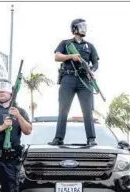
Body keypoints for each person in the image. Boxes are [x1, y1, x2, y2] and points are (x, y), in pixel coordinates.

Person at [48, 18, 100, 146]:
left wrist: (91, 70)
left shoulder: (90, 46)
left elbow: (96, 63)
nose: (84, 29)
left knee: (87, 110)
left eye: (84, 26)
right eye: (81, 26)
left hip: (84, 80)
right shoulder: (65, 43)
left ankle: (91, 139)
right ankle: (58, 138)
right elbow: (57, 56)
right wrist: (71, 56)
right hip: (68, 78)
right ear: (74, 29)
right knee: (63, 109)